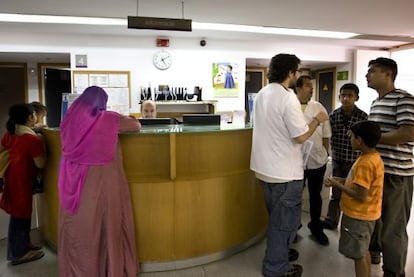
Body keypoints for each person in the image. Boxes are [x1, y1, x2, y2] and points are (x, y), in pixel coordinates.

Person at [250, 53, 328, 277]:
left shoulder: (263, 93)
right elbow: (301, 137)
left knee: (277, 217)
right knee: (283, 224)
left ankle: (280, 253)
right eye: (297, 71)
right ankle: (276, 267)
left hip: (265, 170)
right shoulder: (287, 97)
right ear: (291, 73)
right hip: (284, 172)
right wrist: (317, 120)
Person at [57, 86, 141, 277]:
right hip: (103, 180)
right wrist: (116, 114)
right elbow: (136, 126)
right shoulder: (108, 119)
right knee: (106, 223)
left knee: (81, 227)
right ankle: (108, 268)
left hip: (74, 181)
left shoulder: (69, 120)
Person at [366, 57, 414, 277]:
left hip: (397, 175)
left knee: (393, 228)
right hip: (376, 173)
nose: (367, 75)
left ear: (388, 74)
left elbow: (408, 133)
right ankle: (374, 252)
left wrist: (372, 140)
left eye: (372, 71)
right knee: (374, 219)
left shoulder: (404, 99)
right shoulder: (375, 103)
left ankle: (394, 272)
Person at [324, 120, 383, 277]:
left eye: (352, 137)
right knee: (363, 251)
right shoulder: (372, 157)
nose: (349, 140)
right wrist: (339, 180)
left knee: (359, 255)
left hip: (359, 217)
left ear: (360, 140)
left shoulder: (365, 164)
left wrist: (338, 186)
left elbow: (361, 195)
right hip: (368, 215)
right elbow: (357, 183)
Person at [0, 103, 46, 265]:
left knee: (22, 213)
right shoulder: (31, 139)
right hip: (23, 180)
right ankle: (18, 254)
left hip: (11, 177)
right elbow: (40, 164)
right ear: (30, 117)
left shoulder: (10, 133)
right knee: (20, 215)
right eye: (34, 114)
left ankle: (25, 245)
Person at [322, 83, 368, 230]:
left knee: (352, 193)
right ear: (339, 97)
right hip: (337, 160)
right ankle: (331, 220)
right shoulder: (333, 115)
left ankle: (350, 223)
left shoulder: (363, 117)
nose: (346, 98)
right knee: (335, 192)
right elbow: (328, 136)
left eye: (350, 95)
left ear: (356, 98)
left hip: (354, 162)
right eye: (343, 95)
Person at [294, 75, 331, 246]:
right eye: (308, 85)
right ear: (298, 87)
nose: (312, 88)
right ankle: (293, 227)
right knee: (294, 195)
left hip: (317, 159)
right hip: (295, 161)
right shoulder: (290, 105)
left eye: (312, 85)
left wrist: (326, 152)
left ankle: (316, 226)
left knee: (316, 195)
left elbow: (326, 133)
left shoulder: (317, 107)